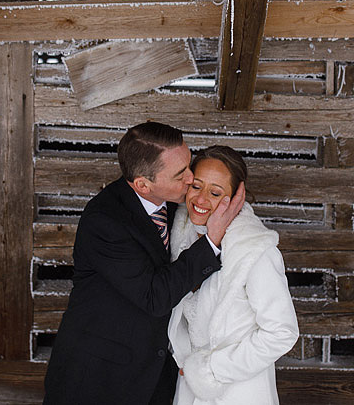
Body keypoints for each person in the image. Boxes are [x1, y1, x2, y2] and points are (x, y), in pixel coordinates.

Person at [44, 122, 246, 405]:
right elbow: (155, 296)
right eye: (180, 174)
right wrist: (212, 242)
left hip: (157, 372)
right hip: (100, 376)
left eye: (189, 164)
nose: (192, 178)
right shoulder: (105, 221)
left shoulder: (177, 200)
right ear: (143, 184)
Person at [168, 146, 298, 405]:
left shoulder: (253, 250)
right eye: (196, 186)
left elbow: (282, 332)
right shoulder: (181, 236)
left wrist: (211, 370)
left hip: (239, 392)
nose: (201, 199)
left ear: (237, 197)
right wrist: (183, 359)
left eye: (215, 192)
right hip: (188, 391)